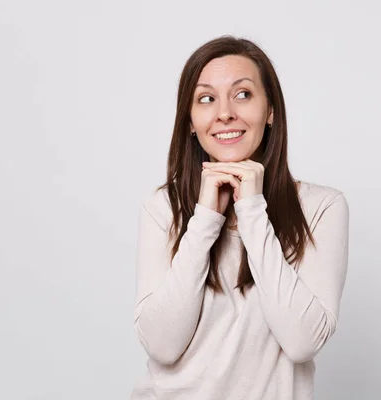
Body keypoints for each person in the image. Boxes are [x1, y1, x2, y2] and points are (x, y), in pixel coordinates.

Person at [132, 36, 349, 400]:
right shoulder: (162, 208)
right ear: (190, 120)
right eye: (206, 99)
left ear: (271, 111)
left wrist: (252, 211)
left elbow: (302, 342)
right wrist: (204, 220)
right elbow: (163, 345)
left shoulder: (321, 207)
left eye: (243, 94)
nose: (225, 113)